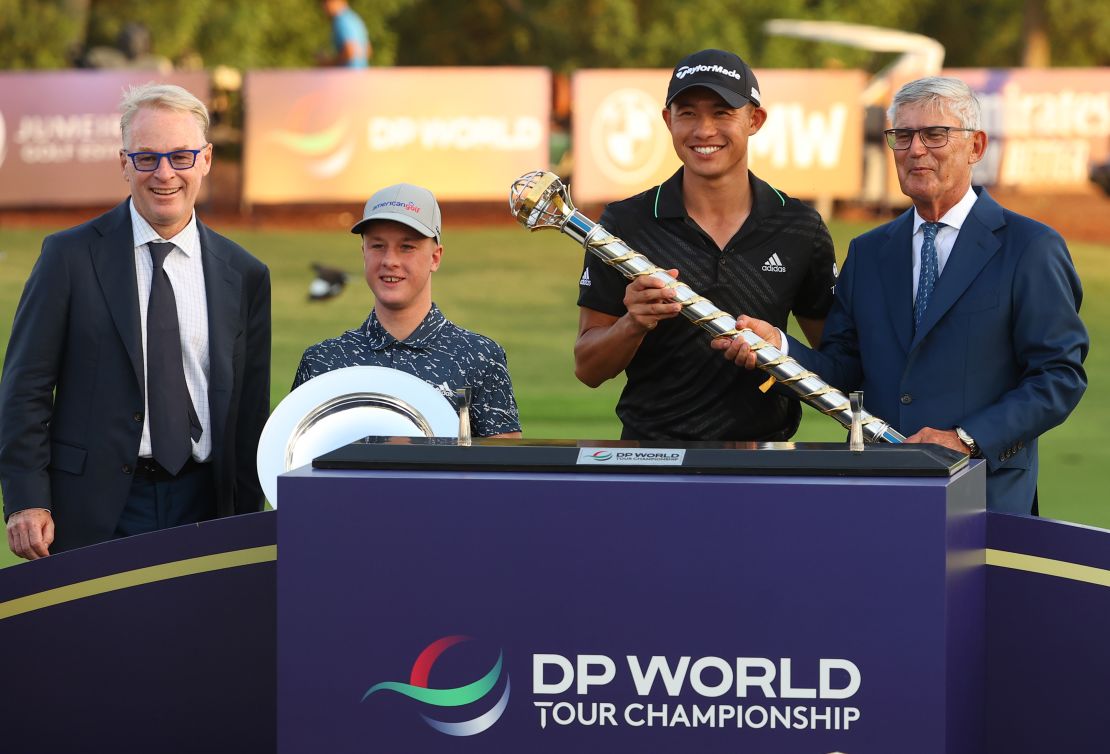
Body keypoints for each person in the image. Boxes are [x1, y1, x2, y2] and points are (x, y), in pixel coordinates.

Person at [713, 76, 1088, 514]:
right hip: (881, 495)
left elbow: (1059, 377)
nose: (916, 149)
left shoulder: (1029, 247)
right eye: (903, 136)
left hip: (987, 498)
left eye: (935, 134)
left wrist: (966, 439)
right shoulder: (869, 252)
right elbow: (844, 370)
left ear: (977, 146)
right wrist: (777, 347)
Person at [0, 83, 271, 559]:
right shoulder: (68, 257)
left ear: (205, 159)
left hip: (205, 503)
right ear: (124, 163)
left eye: (181, 157)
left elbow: (249, 411)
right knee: (96, 635)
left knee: (200, 634)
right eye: (146, 158)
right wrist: (26, 500)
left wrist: (248, 520)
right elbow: (25, 388)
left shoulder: (245, 274)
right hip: (94, 508)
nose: (164, 174)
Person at [574, 49, 838, 441]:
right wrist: (633, 324)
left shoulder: (799, 227)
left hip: (763, 464)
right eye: (688, 113)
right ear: (668, 121)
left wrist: (778, 349)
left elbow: (836, 366)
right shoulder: (626, 223)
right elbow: (588, 368)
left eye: (722, 112)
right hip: (652, 462)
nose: (704, 130)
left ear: (755, 119)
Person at [293, 183, 522, 438]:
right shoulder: (323, 362)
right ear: (363, 254)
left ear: (435, 257)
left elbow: (506, 472)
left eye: (407, 247)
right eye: (377, 246)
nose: (390, 260)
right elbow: (292, 465)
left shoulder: (479, 357)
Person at [319, 0, 371, 68]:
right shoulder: (354, 18)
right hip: (361, 74)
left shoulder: (341, 21)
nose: (324, 6)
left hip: (347, 75)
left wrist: (329, 64)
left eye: (326, 2)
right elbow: (368, 50)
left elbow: (350, 51)